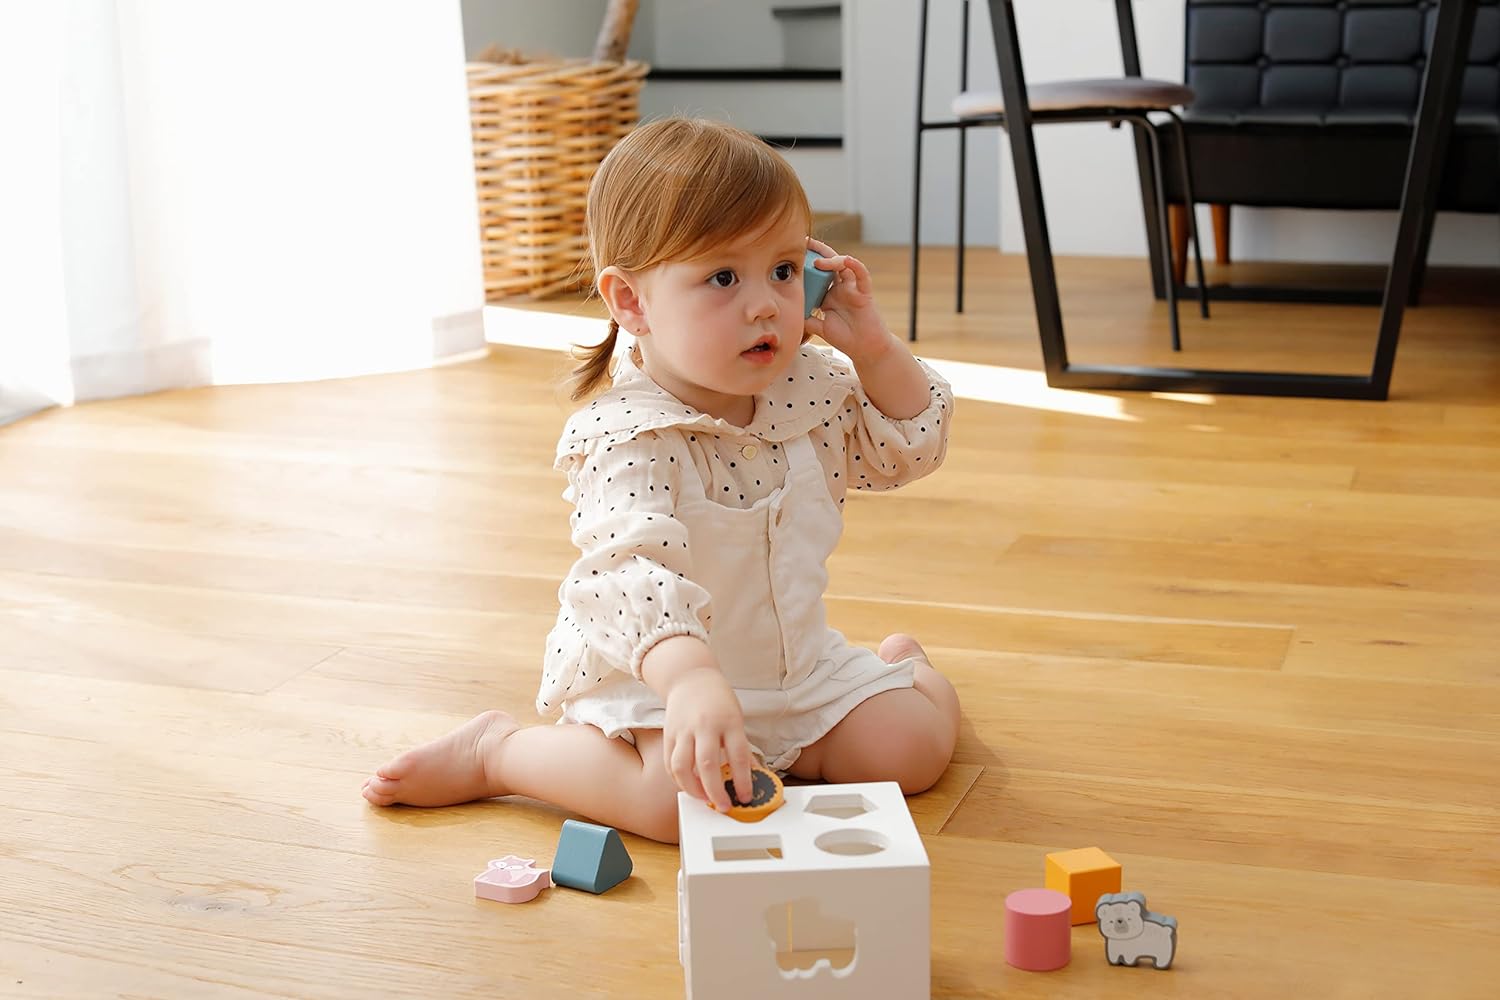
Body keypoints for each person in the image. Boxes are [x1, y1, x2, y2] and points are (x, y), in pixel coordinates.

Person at [363, 118, 960, 844]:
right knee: (666, 809)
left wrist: (874, 348)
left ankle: (907, 667)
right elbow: (630, 571)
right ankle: (501, 753)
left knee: (912, 752)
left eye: (781, 269)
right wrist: (690, 682)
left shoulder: (812, 390)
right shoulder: (627, 437)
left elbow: (907, 450)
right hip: (662, 680)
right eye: (721, 277)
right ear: (631, 302)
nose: (765, 303)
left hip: (796, 671)